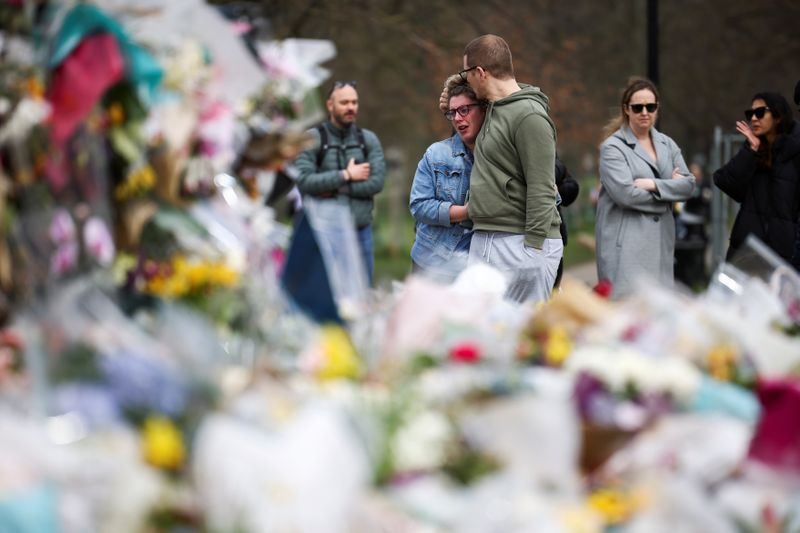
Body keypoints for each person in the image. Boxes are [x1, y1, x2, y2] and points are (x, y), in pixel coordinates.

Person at [459, 34, 563, 303]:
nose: (465, 80)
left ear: (480, 72)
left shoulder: (529, 116)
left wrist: (533, 249)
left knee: (521, 336)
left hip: (521, 240)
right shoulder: (494, 108)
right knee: (480, 332)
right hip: (488, 236)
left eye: (466, 73)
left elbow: (542, 186)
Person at [595, 77, 695, 299]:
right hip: (627, 246)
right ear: (626, 109)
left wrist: (654, 185)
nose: (644, 112)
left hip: (661, 243)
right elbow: (626, 195)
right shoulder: (613, 147)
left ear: (657, 108)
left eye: (650, 107)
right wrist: (670, 192)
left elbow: (688, 186)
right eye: (637, 107)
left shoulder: (667, 144)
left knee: (658, 317)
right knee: (625, 316)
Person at [293, 80, 386, 284]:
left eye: (354, 102)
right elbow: (304, 181)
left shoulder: (368, 140)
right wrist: (345, 174)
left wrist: (334, 188)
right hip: (322, 235)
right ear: (330, 105)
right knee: (323, 295)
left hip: (361, 234)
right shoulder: (311, 139)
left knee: (361, 297)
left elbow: (377, 183)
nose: (351, 107)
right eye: (344, 102)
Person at [409, 75, 485, 283]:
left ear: (484, 109)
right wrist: (464, 212)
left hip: (476, 270)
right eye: (452, 113)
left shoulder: (500, 157)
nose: (458, 118)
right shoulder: (436, 154)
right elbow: (418, 205)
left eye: (464, 110)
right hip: (431, 263)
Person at [713, 92, 800, 266]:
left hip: (784, 254)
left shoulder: (795, 152)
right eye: (750, 114)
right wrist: (751, 150)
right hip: (745, 250)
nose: (753, 118)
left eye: (760, 112)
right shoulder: (752, 150)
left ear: (777, 116)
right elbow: (724, 181)